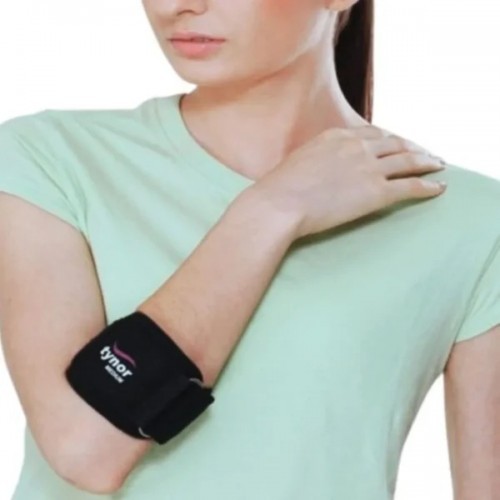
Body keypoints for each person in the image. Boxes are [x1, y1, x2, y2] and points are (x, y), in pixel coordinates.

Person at [0, 0, 498, 499]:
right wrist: (273, 210)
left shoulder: (470, 219)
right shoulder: (48, 160)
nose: (180, 5)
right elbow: (85, 448)